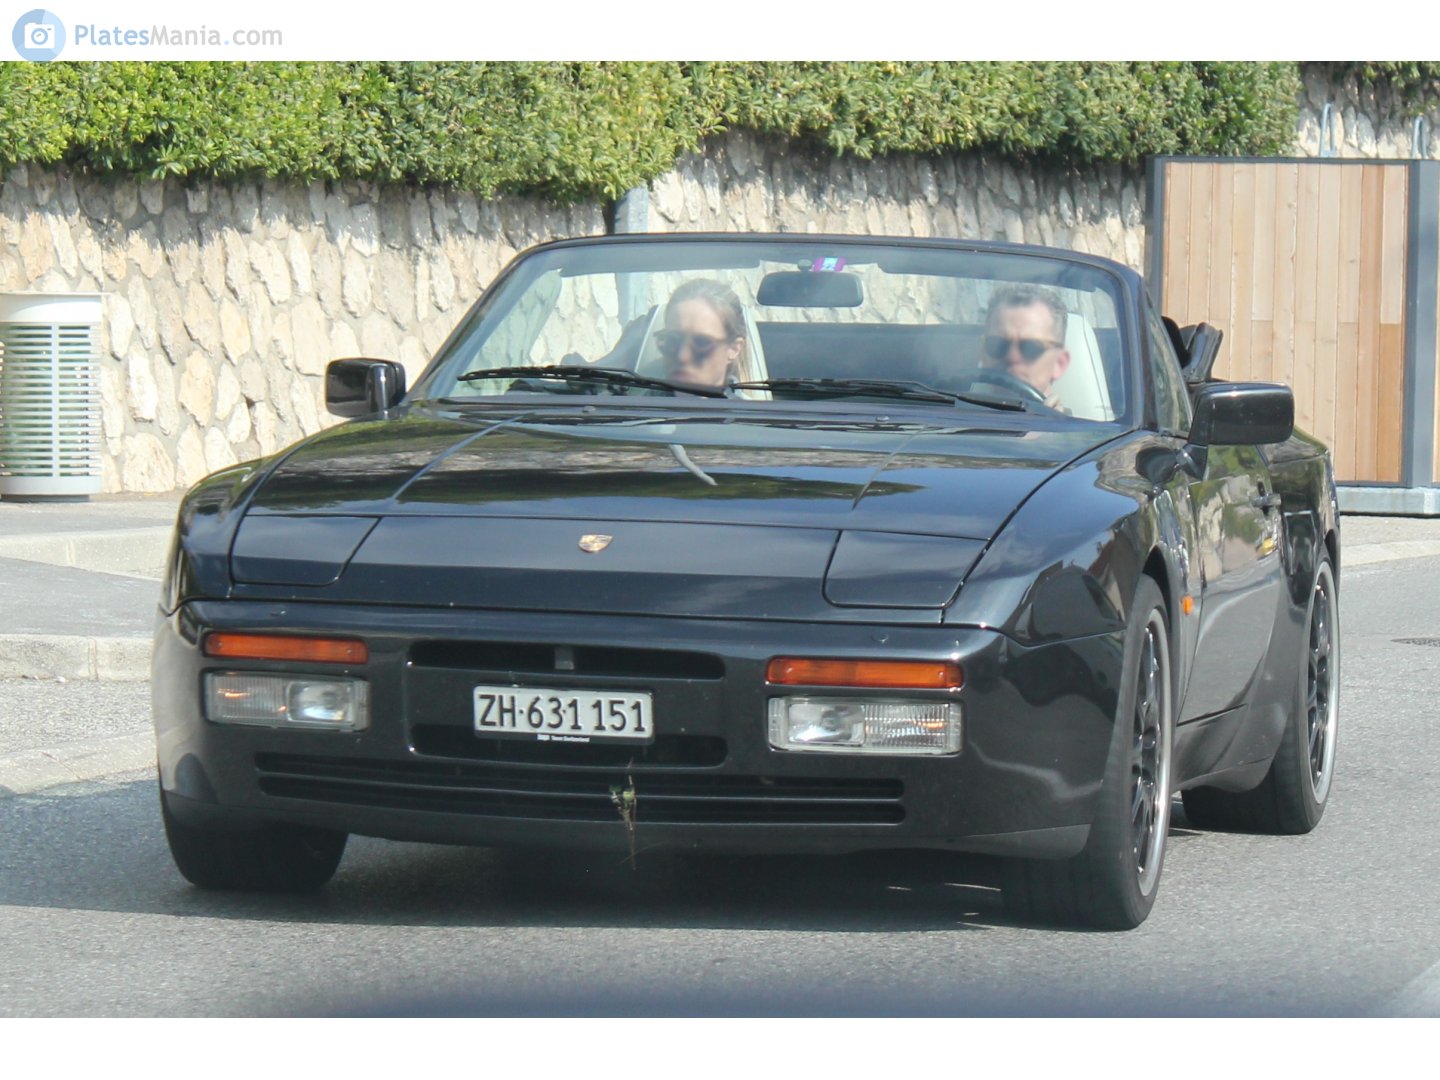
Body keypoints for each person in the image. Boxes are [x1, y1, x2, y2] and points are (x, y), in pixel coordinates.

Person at [979, 284, 1072, 410]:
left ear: (1059, 363)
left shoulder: (1077, 429)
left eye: (1030, 347)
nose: (1012, 356)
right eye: (998, 344)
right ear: (983, 352)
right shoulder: (951, 416)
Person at [655, 279, 750, 390]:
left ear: (734, 349)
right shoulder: (636, 403)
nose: (682, 356)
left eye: (702, 343)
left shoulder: (749, 407)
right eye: (672, 340)